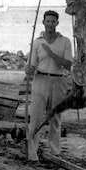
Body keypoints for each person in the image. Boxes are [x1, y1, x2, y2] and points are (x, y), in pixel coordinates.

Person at [25, 10, 73, 161]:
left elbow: (68, 65)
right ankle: (32, 152)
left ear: (57, 23)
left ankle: (55, 151)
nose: (50, 24)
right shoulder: (37, 42)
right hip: (40, 80)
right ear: (43, 22)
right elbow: (32, 65)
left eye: (53, 21)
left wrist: (51, 53)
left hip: (59, 81)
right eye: (48, 21)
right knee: (36, 117)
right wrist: (28, 70)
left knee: (55, 118)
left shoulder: (65, 41)